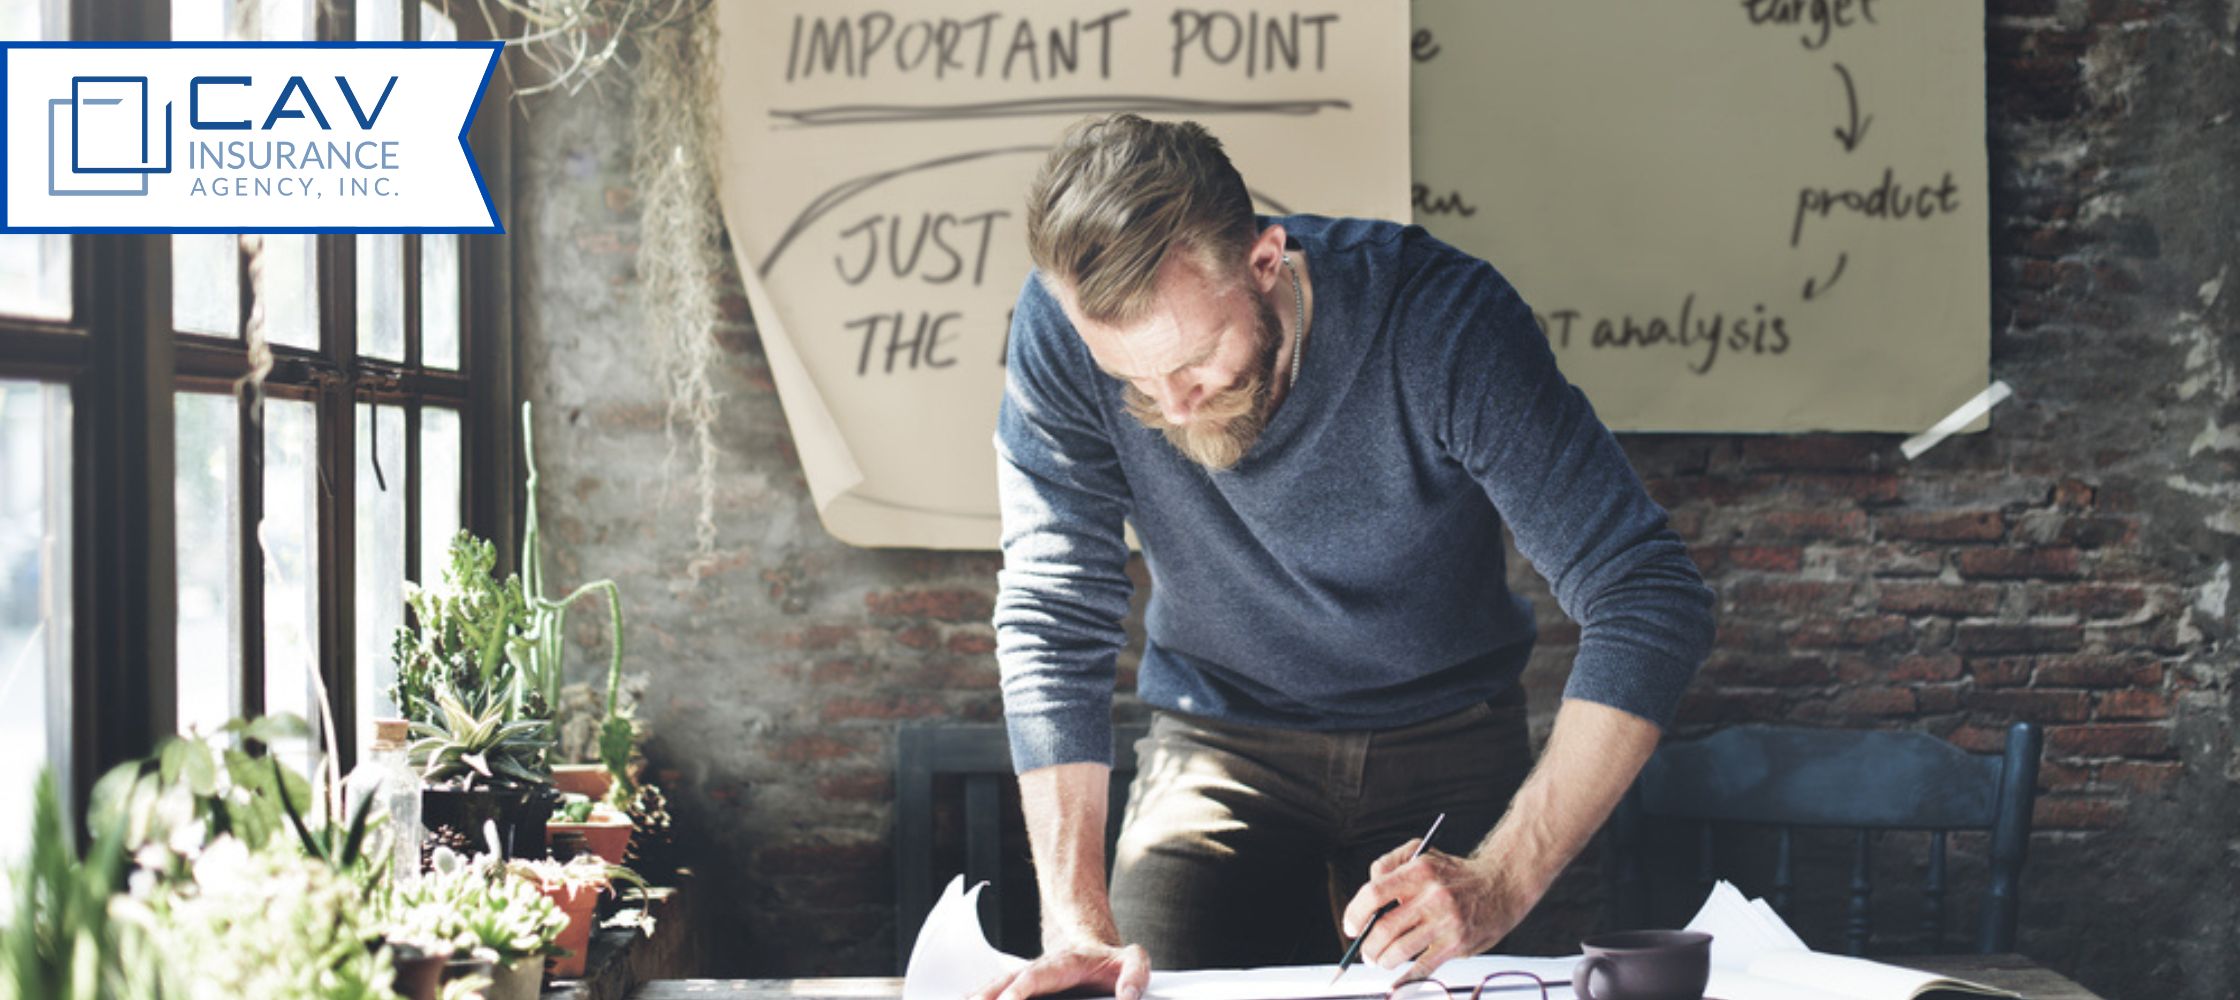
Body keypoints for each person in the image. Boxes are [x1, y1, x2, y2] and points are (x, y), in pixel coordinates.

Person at [977, 114, 1716, 1000]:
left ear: (1265, 262)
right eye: (1131, 379)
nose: (1171, 409)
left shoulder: (1442, 323)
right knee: (1133, 986)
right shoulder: (1058, 331)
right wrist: (1074, 924)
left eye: (1196, 359)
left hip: (1444, 734)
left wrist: (1500, 883)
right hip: (1216, 738)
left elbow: (1648, 595)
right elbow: (1053, 615)